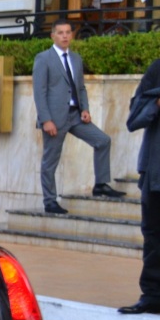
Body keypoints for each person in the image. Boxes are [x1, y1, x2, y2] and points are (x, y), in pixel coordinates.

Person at [33, 19, 124, 214]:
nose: (65, 36)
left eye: (68, 32)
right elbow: (39, 92)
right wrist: (46, 119)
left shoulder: (76, 59)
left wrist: (85, 109)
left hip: (75, 115)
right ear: (53, 36)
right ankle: (50, 201)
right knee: (50, 161)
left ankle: (100, 184)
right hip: (54, 119)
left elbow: (80, 87)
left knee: (102, 141)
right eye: (60, 32)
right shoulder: (43, 58)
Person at [119, 58, 160, 314]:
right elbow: (133, 118)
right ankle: (153, 295)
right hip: (156, 169)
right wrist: (156, 103)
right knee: (154, 235)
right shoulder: (156, 70)